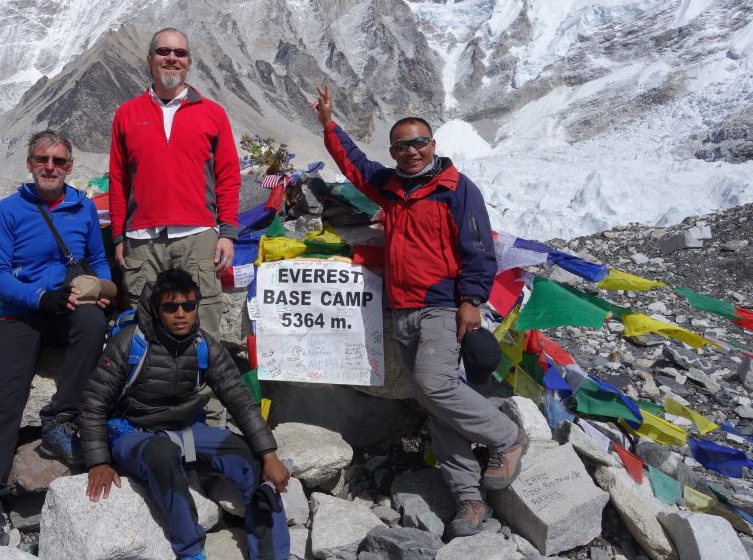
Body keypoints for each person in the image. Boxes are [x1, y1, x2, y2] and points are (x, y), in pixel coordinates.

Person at [311, 86, 528, 538]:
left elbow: (479, 249)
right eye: (402, 145)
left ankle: (506, 436)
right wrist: (329, 125)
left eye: (420, 142)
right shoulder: (388, 186)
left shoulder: (456, 189)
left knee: (435, 385)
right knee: (433, 403)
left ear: (433, 145)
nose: (412, 151)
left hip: (441, 306)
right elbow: (354, 165)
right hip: (400, 309)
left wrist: (471, 301)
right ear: (393, 151)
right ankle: (469, 498)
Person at [80, 268, 290, 560]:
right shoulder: (129, 343)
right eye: (170, 306)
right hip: (134, 433)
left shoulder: (204, 346)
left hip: (187, 431)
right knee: (162, 454)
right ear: (156, 309)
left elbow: (240, 400)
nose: (181, 314)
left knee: (253, 462)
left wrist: (269, 454)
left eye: (189, 306)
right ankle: (191, 552)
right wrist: (98, 461)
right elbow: (93, 403)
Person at [0, 130, 112, 544]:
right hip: (23, 311)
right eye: (43, 159)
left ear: (70, 166)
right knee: (3, 403)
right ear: (29, 163)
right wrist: (38, 296)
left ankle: (58, 419)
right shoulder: (11, 210)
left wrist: (100, 289)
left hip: (70, 307)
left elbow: (98, 259)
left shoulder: (83, 207)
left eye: (60, 161)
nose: (51, 166)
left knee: (94, 325)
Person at [108, 28, 241, 336]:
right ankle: (144, 385)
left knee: (204, 319)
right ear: (149, 59)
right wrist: (118, 236)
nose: (172, 58)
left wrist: (228, 233)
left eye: (180, 53)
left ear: (189, 62)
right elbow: (118, 179)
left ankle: (203, 386)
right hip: (142, 240)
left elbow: (228, 176)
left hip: (199, 236)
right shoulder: (126, 114)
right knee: (140, 323)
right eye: (164, 52)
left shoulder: (213, 113)